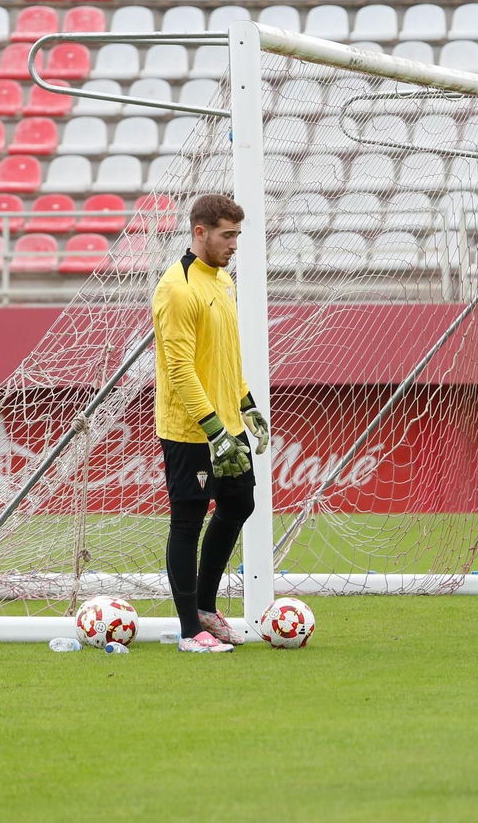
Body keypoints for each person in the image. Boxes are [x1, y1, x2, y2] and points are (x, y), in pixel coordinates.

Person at [152, 193, 271, 653]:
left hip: (228, 424)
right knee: (187, 522)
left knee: (241, 504)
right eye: (227, 235)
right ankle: (189, 631)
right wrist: (213, 429)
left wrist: (247, 404)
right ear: (200, 232)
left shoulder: (222, 281)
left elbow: (225, 355)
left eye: (238, 235)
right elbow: (180, 368)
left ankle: (204, 606)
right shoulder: (176, 288)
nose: (235, 244)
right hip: (191, 430)